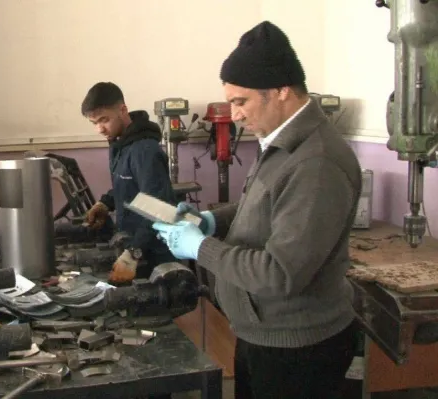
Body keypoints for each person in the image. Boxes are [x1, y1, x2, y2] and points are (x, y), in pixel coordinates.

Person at [152, 21, 361, 399]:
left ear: (281, 90)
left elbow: (280, 275)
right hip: (262, 335)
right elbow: (263, 202)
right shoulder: (281, 142)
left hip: (297, 350)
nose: (234, 115)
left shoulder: (317, 163)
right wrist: (214, 221)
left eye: (241, 101)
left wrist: (201, 248)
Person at [81, 82, 177, 283]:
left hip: (154, 255)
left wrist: (134, 252)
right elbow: (126, 186)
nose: (99, 129)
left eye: (104, 120)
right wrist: (105, 203)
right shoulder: (119, 143)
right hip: (134, 246)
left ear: (122, 110)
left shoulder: (144, 151)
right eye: (94, 123)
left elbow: (159, 209)